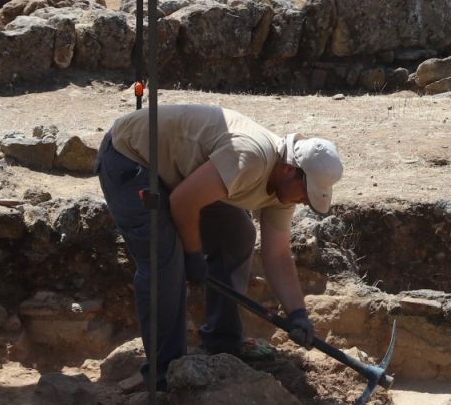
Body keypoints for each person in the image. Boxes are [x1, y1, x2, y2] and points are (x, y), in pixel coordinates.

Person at [97, 103, 344, 383]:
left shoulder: (283, 191)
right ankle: (166, 371)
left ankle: (223, 342)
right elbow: (182, 202)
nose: (304, 200)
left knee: (237, 234)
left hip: (181, 174)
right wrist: (192, 253)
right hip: (132, 156)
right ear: (290, 170)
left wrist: (297, 313)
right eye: (306, 192)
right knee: (166, 263)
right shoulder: (251, 158)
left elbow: (277, 254)